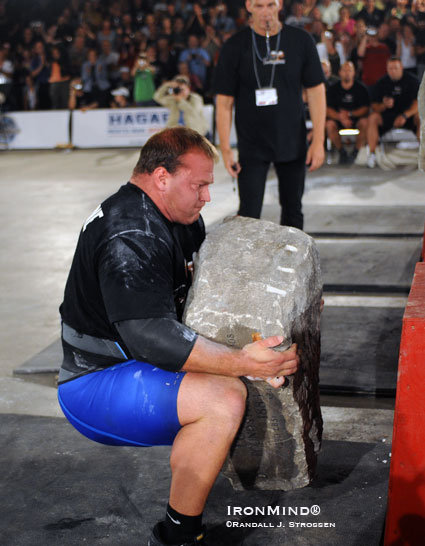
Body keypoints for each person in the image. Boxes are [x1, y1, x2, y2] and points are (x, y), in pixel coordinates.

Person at [57, 127, 299, 546]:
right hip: (93, 382)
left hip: (133, 362)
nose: (207, 196)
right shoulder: (130, 233)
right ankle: (177, 536)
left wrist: (270, 337)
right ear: (162, 177)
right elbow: (152, 337)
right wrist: (246, 362)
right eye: (200, 184)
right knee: (223, 398)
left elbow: (211, 299)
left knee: (238, 374)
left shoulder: (177, 217)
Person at [214, 0, 326, 230]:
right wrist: (225, 149)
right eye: (259, 6)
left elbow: (316, 92)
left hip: (292, 139)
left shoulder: (300, 40)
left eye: (270, 5)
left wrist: (318, 141)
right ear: (249, 7)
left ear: (280, 5)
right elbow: (224, 102)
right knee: (249, 212)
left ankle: (294, 263)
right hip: (252, 143)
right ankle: (246, 265)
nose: (266, 12)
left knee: (293, 208)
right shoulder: (235, 46)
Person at [366, 56, 420, 167]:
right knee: (372, 117)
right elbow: (374, 106)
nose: (393, 71)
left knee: (421, 117)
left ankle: (423, 154)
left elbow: (419, 102)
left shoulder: (412, 81)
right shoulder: (382, 82)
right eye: (390, 68)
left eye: (395, 68)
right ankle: (372, 154)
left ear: (401, 68)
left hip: (408, 116)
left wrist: (405, 115)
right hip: (389, 116)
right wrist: (383, 106)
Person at [326, 60, 370, 163]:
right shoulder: (333, 89)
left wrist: (350, 114)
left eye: (349, 70)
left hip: (356, 119)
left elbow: (365, 109)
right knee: (329, 124)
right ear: (339, 72)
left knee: (365, 123)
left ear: (354, 72)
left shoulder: (361, 88)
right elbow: (328, 109)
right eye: (344, 70)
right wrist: (341, 117)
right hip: (338, 119)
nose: (347, 73)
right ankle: (342, 152)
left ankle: (355, 152)